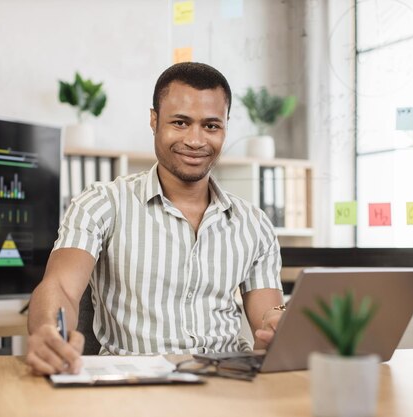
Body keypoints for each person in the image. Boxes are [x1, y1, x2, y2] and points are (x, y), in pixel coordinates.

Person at [26, 62, 285, 375]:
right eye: (180, 122)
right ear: (154, 120)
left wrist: (278, 329)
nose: (195, 140)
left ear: (226, 126)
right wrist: (48, 331)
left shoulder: (254, 224)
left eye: (211, 126)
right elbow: (60, 287)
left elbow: (267, 319)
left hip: (229, 380)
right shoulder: (102, 203)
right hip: (136, 384)